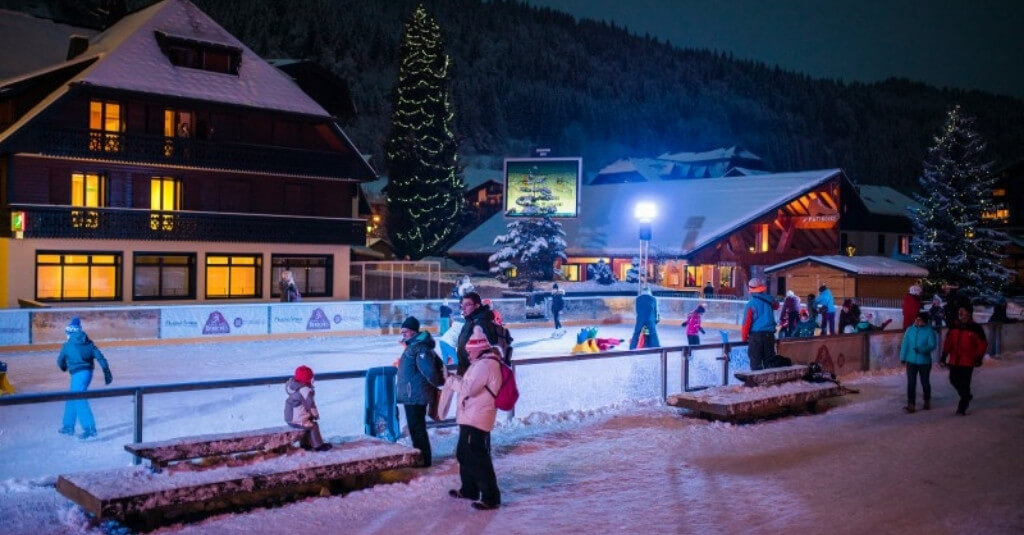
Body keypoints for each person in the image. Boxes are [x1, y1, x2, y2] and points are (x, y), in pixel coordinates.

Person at [444, 327, 502, 510]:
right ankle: (469, 489)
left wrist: (452, 380)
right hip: (471, 415)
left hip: (478, 417)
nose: (467, 354)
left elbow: (469, 389)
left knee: (477, 456)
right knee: (463, 452)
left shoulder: (485, 365)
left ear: (478, 349)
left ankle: (490, 497)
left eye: (469, 351)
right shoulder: (481, 363)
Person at [395, 316, 443, 467]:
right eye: (402, 331)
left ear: (413, 331)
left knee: (418, 429)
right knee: (415, 430)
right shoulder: (414, 346)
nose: (403, 334)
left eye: (406, 331)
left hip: (416, 395)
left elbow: (428, 370)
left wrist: (440, 383)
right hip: (412, 395)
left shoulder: (420, 347)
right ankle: (420, 459)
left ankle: (424, 461)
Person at [57, 317, 112, 440]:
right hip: (87, 373)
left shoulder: (67, 345)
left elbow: (60, 361)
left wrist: (63, 367)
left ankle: (90, 428)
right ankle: (68, 426)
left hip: (78, 374)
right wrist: (106, 371)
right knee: (72, 397)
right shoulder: (89, 343)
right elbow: (100, 357)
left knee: (79, 399)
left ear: (70, 333)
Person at [941, 306, 987, 415]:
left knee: (965, 383)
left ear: (969, 314)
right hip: (954, 360)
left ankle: (962, 406)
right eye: (960, 312)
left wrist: (979, 357)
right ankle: (966, 395)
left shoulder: (975, 328)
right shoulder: (954, 326)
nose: (962, 314)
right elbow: (948, 342)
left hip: (968, 360)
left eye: (964, 312)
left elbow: (982, 344)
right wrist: (944, 355)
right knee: (953, 379)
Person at [284, 365, 331, 451]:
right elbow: (310, 405)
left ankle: (305, 444)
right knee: (313, 426)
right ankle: (318, 445)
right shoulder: (304, 390)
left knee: (307, 425)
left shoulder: (295, 387)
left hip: (290, 418)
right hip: (296, 419)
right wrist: (315, 415)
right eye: (311, 377)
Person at [456, 292, 501, 376]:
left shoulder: (482, 322)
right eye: (462, 305)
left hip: (476, 373)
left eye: (467, 305)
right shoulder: (469, 321)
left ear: (477, 305)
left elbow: (488, 349)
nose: (463, 308)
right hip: (466, 370)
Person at [900, 312, 938, 413]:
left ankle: (927, 400)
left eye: (920, 320)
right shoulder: (910, 330)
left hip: (924, 362)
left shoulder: (929, 331)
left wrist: (921, 350)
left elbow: (932, 345)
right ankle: (911, 404)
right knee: (911, 383)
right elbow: (905, 344)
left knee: (925, 382)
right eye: (917, 319)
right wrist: (902, 357)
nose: (917, 321)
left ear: (925, 321)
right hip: (911, 361)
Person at [741, 278, 778, 370]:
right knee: (769, 361)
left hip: (756, 336)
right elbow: (776, 306)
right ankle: (770, 383)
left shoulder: (751, 304)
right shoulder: (770, 300)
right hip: (769, 335)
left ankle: (757, 383)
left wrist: (744, 337)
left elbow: (746, 323)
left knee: (756, 362)